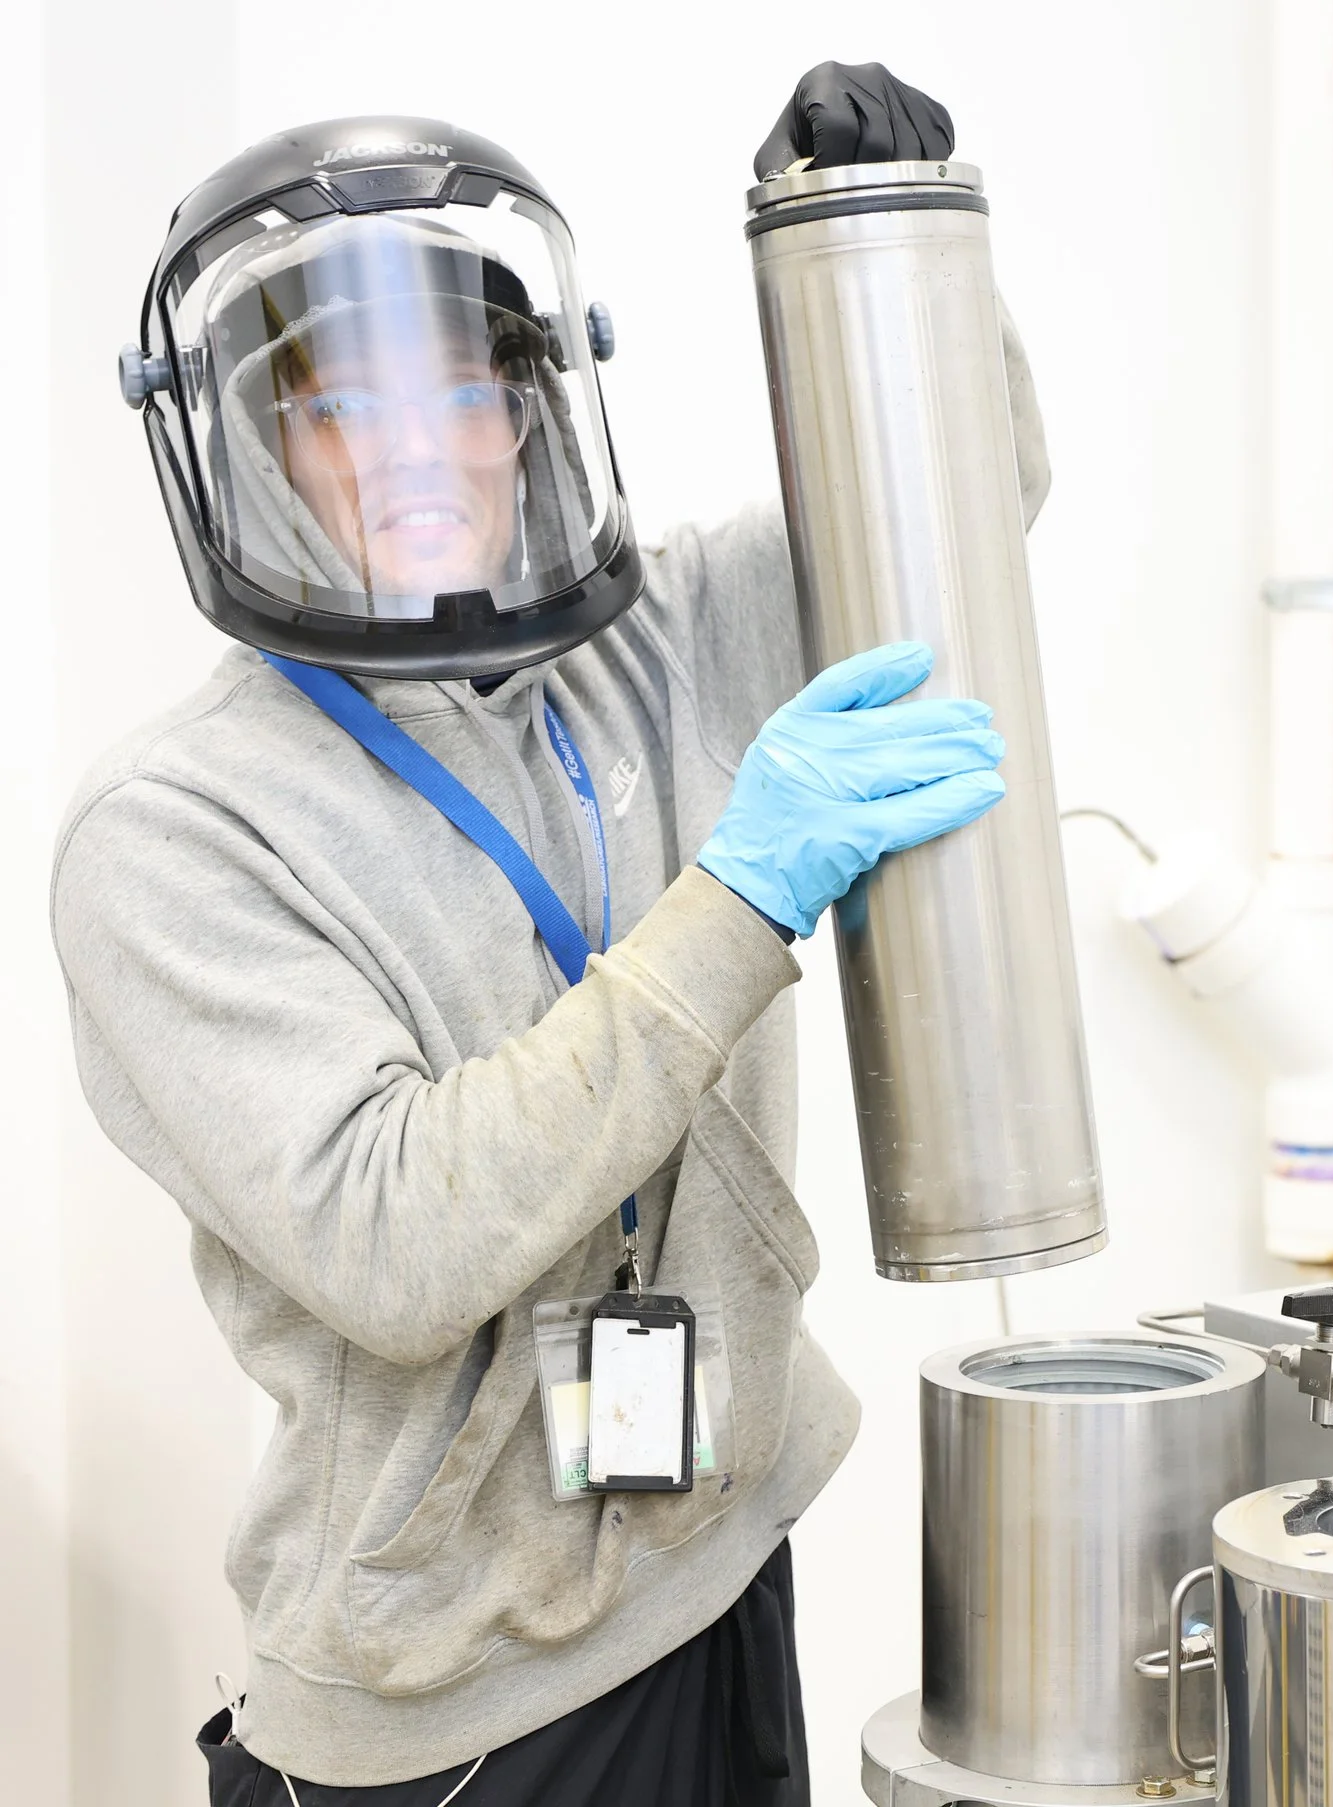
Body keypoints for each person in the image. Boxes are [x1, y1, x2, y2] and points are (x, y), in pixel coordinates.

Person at [55, 61, 1030, 1806]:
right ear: (263, 449)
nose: (422, 448)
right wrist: (740, 897)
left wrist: (879, 248)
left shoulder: (654, 637)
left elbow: (964, 505)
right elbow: (400, 1241)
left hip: (715, 1569)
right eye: (345, 404)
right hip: (449, 1701)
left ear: (533, 410)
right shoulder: (175, 833)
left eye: (466, 389)